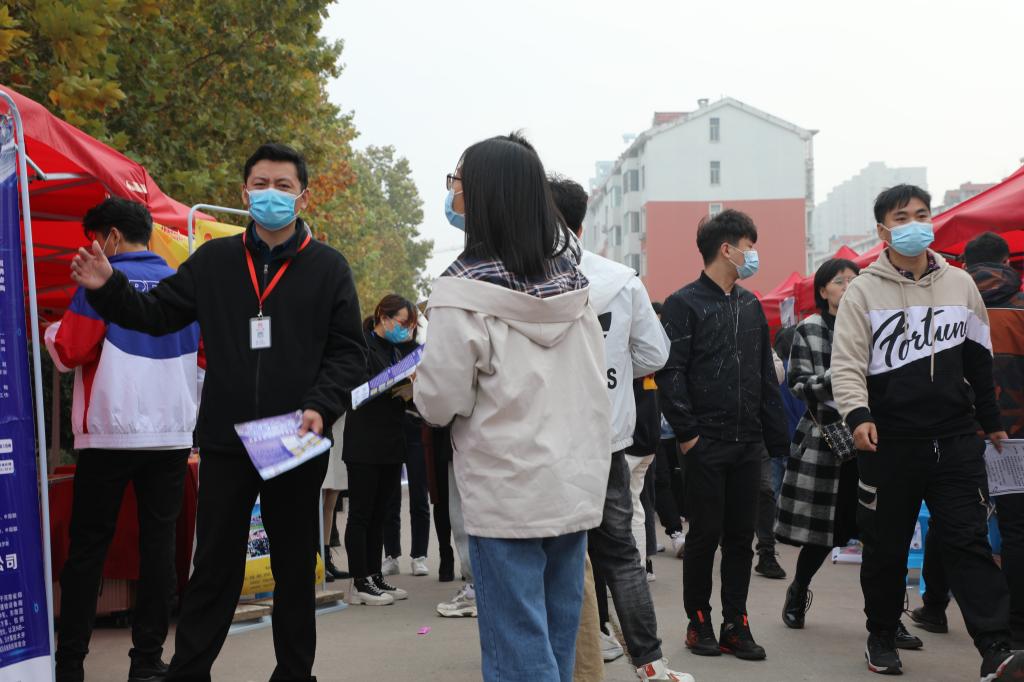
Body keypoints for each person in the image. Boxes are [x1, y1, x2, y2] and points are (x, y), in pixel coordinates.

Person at [69, 142, 368, 681]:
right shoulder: (213, 262)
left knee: (294, 566)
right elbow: (156, 315)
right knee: (213, 566)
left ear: (303, 196)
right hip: (228, 440)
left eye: (283, 186)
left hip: (295, 436)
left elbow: (349, 352)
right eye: (261, 184)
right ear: (244, 192)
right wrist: (108, 288)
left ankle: (294, 673)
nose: (271, 194)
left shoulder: (328, 268)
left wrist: (321, 405)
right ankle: (189, 672)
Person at [413, 133, 612, 682]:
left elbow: (440, 401)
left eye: (458, 183)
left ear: (484, 195)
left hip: (505, 492)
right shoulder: (574, 285)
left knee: (516, 648)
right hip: (572, 486)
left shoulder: (461, 292)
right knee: (555, 640)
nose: (454, 195)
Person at [831, 184, 1024, 678]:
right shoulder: (862, 291)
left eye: (922, 214)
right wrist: (858, 415)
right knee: (886, 547)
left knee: (968, 542)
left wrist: (991, 422)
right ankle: (881, 635)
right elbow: (847, 363)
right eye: (902, 218)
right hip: (889, 442)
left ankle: (996, 648)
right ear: (883, 231)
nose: (915, 224)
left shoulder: (961, 284)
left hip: (956, 440)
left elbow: (979, 359)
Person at [46, 198, 200, 682]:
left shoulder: (99, 283)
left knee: (88, 550)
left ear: (110, 236)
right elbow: (205, 360)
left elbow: (69, 351)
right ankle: (147, 661)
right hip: (171, 435)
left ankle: (70, 664)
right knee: (159, 549)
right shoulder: (182, 285)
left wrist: (51, 330)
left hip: (108, 434)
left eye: (93, 239)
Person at [549, 175, 693, 682]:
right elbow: (654, 353)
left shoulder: (517, 278)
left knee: (552, 556)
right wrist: (612, 372)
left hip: (544, 442)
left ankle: (564, 658)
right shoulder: (620, 279)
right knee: (621, 555)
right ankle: (650, 661)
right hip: (606, 438)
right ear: (581, 224)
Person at [657, 209, 789, 663]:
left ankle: (736, 623)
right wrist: (688, 434)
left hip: (748, 442)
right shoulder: (683, 303)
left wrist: (775, 439)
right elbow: (671, 372)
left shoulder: (750, 305)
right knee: (704, 536)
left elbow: (764, 373)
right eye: (750, 246)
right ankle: (699, 621)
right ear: (727, 249)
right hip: (705, 442)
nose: (754, 255)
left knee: (739, 539)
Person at [775, 259, 922, 645]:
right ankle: (798, 589)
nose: (846, 286)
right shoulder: (810, 328)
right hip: (827, 442)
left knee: (882, 537)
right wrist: (841, 377)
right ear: (823, 290)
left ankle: (889, 619)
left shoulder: (875, 322)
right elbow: (798, 384)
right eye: (838, 281)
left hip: (876, 439)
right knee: (823, 534)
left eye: (853, 280)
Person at [910, 231, 1024, 649]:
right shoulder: (1021, 307)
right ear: (1007, 262)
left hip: (957, 433)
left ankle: (935, 606)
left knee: (951, 522)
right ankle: (1016, 624)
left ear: (966, 265)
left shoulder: (949, 307)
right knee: (1016, 530)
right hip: (1015, 438)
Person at [343, 294, 419, 605]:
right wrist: (391, 381)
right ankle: (359, 581)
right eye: (402, 323)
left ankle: (374, 575)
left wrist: (410, 389)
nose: (406, 330)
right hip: (364, 441)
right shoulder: (361, 345)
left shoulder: (398, 350)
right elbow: (356, 389)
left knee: (380, 512)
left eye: (410, 325)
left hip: (391, 440)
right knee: (361, 513)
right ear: (383, 317)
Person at [321, 416, 349, 583]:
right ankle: (315, 559)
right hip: (319, 424)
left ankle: (325, 558)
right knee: (318, 498)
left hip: (339, 425)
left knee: (332, 497)